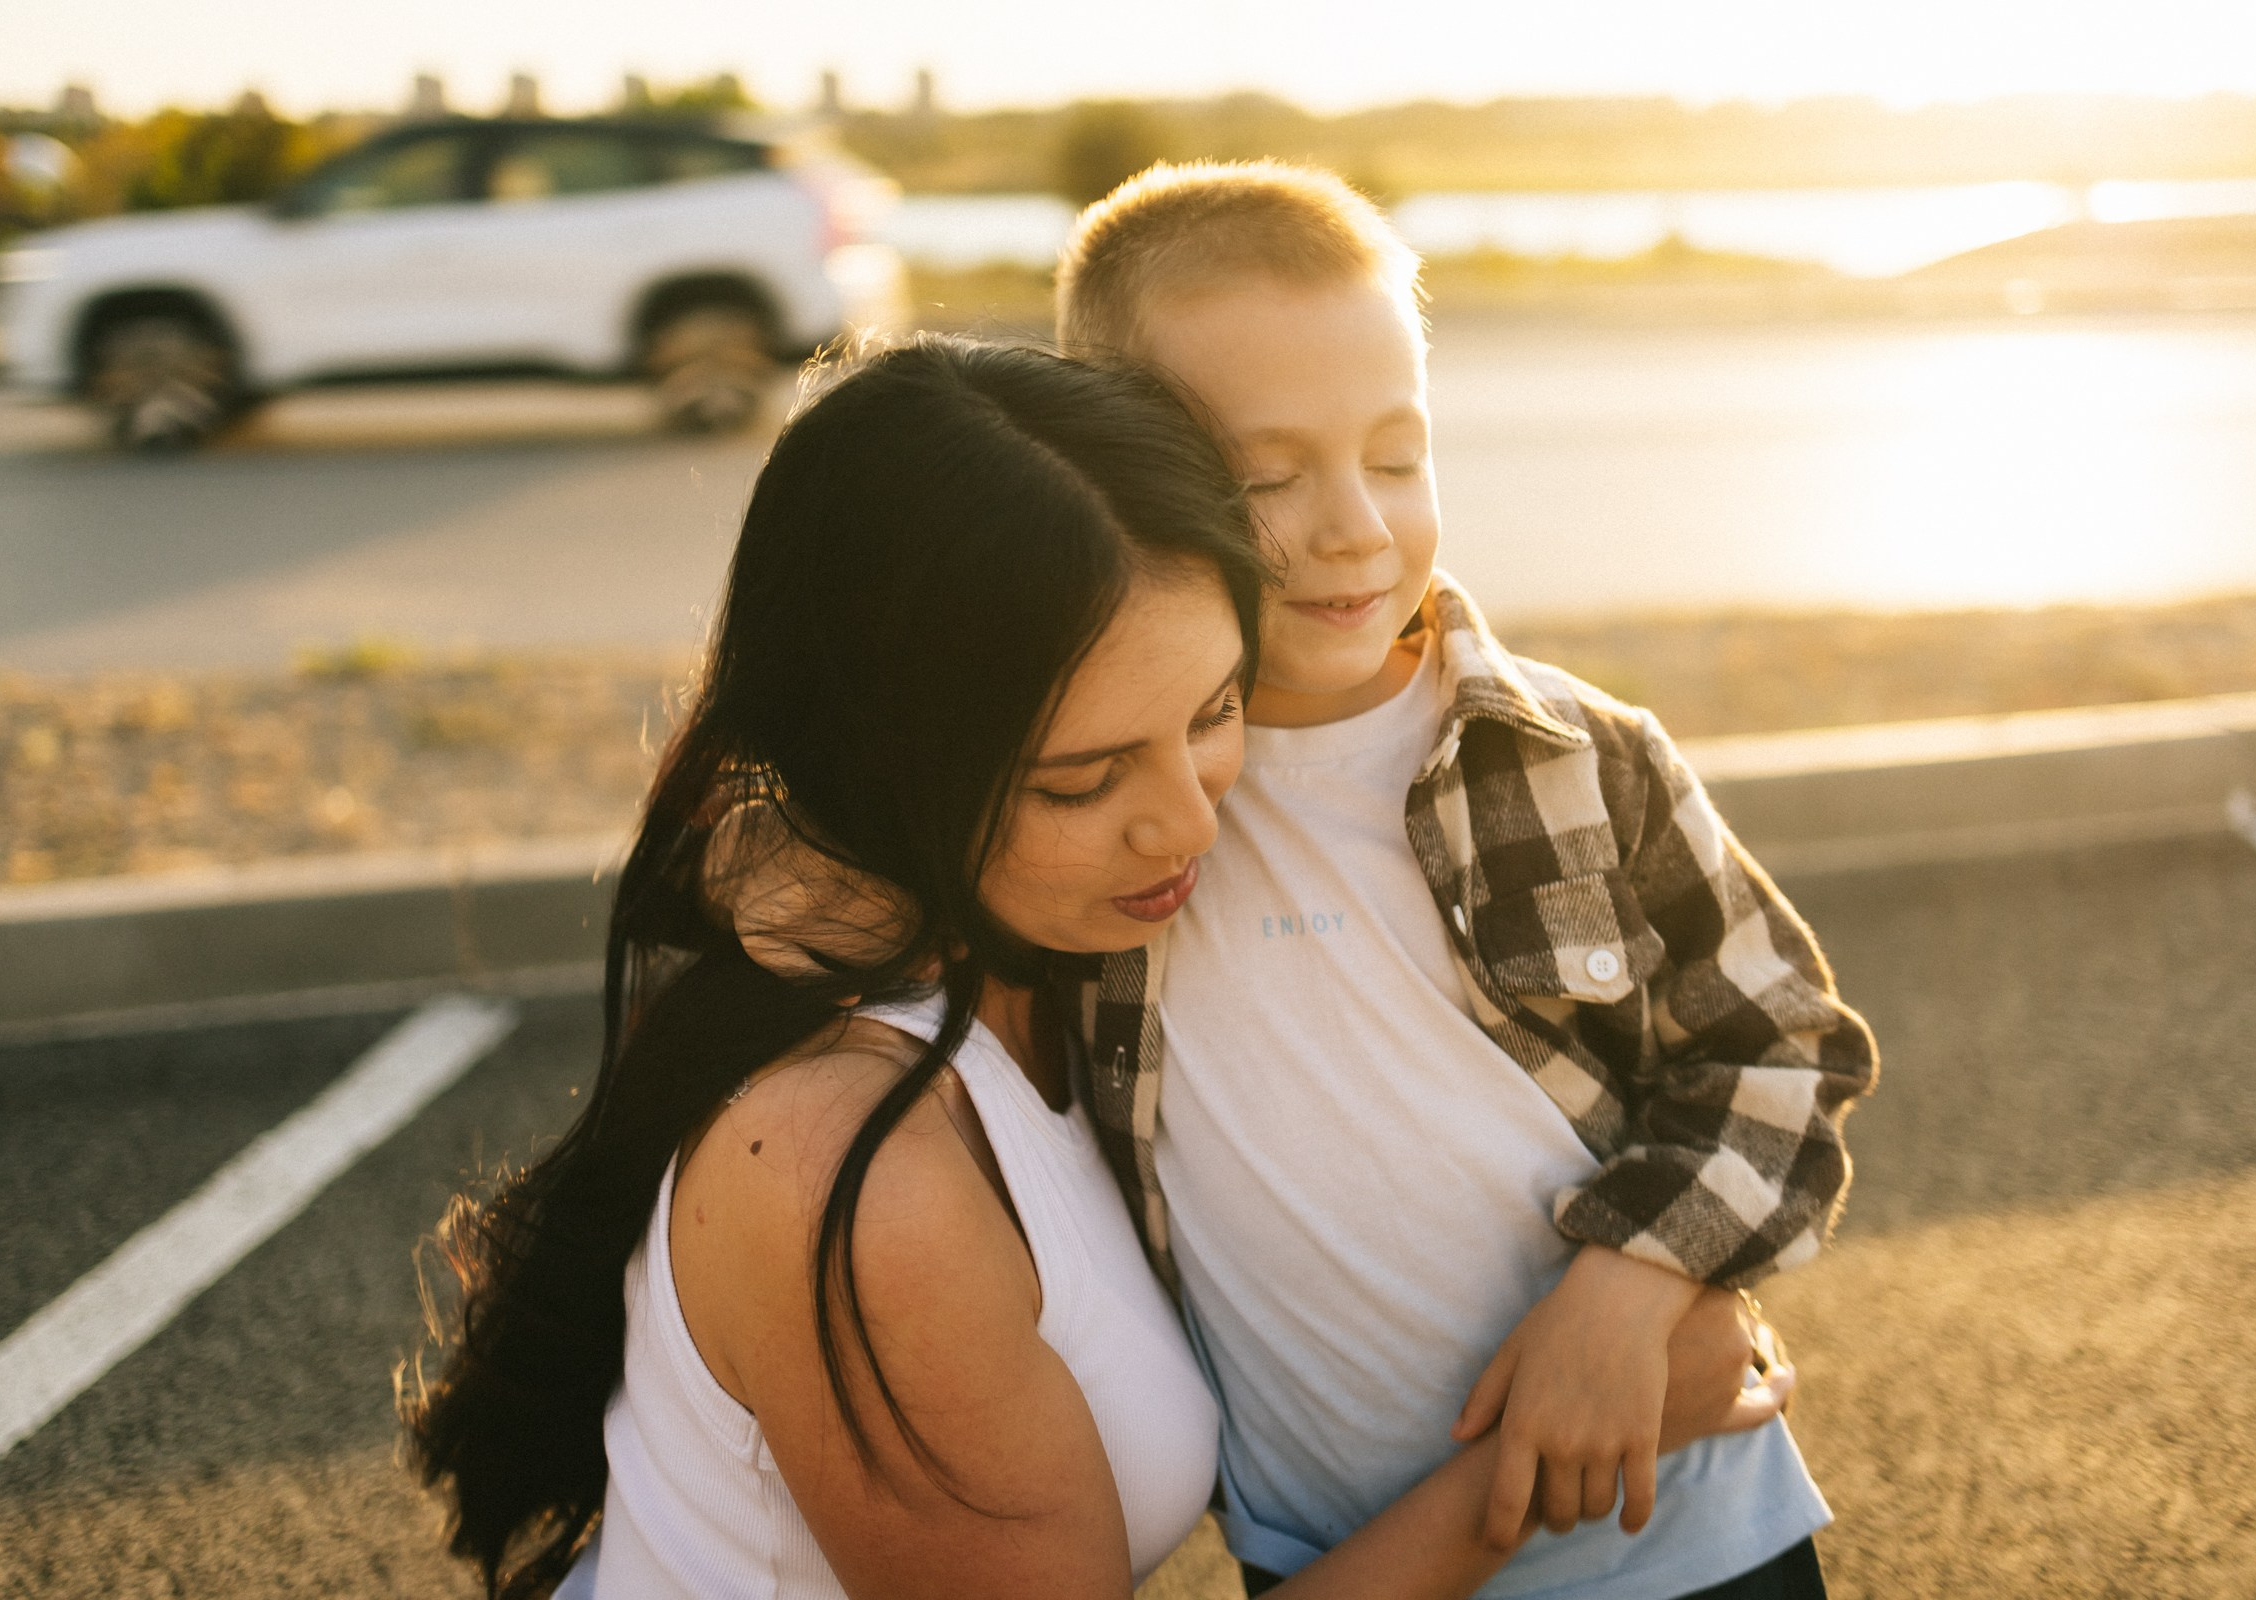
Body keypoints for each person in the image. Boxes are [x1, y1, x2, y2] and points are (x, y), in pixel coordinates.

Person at [399, 336, 1773, 1600]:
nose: (1188, 820)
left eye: (1216, 710)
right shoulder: (852, 1173)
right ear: (892, 769)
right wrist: (1547, 1457)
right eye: (1082, 776)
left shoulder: (1042, 943)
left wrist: (1632, 1283)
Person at [723, 165, 1878, 1600]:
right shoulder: (1107, 806)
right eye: (1268, 478)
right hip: (1334, 1557)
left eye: (1397, 457)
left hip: (1682, 1527)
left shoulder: (1574, 758)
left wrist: (1635, 1280)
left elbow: (1786, 1050)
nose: (1355, 529)